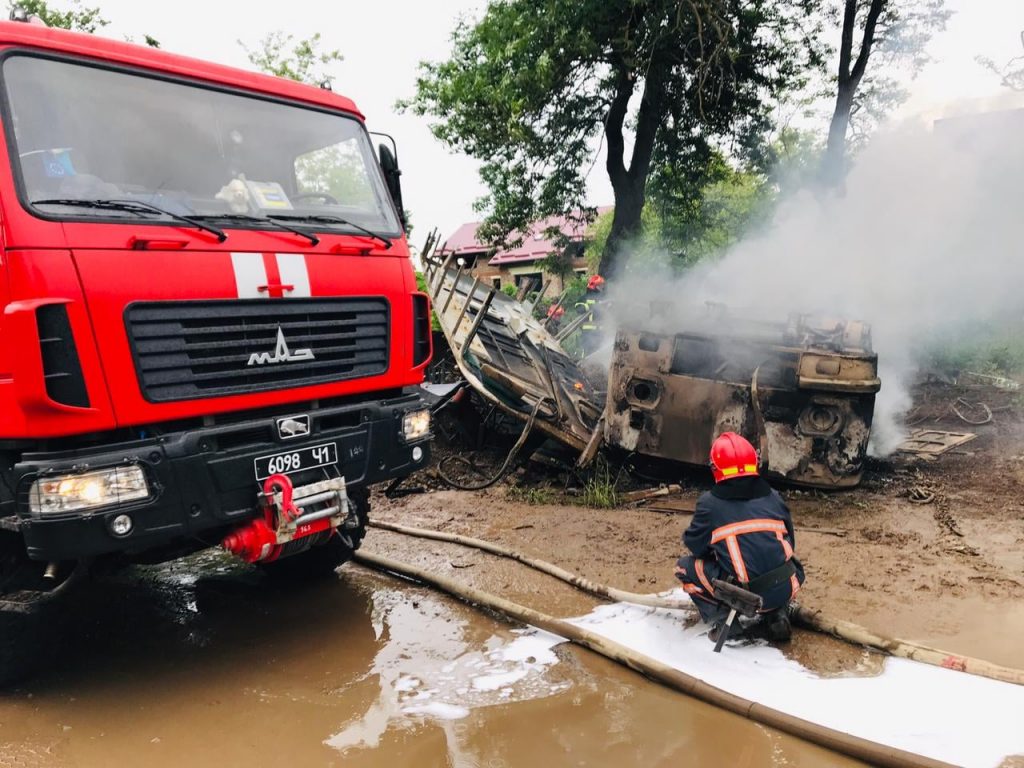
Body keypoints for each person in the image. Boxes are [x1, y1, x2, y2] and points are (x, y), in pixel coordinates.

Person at [674, 432, 805, 642]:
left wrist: (720, 552)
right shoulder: (773, 496)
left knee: (684, 567)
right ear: (755, 462)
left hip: (749, 596)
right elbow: (790, 542)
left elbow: (695, 546)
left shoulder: (709, 505)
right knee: (771, 561)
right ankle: (776, 614)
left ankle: (726, 624)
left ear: (715, 469)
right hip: (788, 584)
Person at [574, 274, 605, 355]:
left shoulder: (602, 298)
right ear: (595, 286)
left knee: (599, 353)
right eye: (600, 285)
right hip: (588, 332)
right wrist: (590, 306)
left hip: (600, 332)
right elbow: (578, 308)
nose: (602, 287)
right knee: (588, 353)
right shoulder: (585, 298)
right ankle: (584, 367)